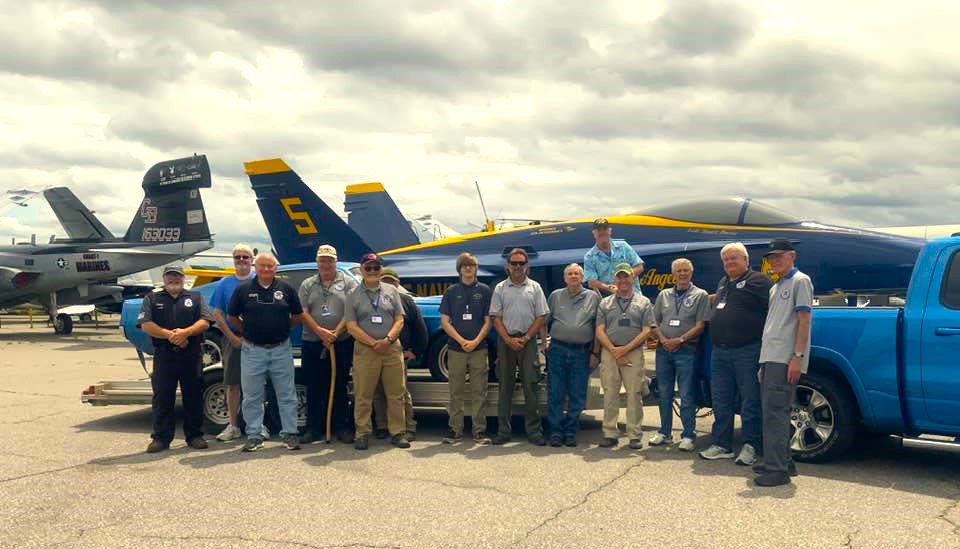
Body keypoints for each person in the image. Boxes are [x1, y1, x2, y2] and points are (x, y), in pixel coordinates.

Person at [699, 242, 771, 466]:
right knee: (720, 399)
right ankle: (721, 444)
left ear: (746, 261)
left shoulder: (758, 281)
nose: (730, 263)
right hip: (720, 352)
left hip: (747, 350)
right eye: (726, 260)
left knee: (750, 399)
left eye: (734, 259)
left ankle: (751, 446)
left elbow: (773, 311)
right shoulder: (723, 283)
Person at [227, 252, 304, 452]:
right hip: (253, 350)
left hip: (281, 349)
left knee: (287, 394)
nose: (266, 269)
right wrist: (247, 332)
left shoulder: (286, 289)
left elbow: (298, 315)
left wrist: (283, 328)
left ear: (275, 268)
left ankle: (290, 433)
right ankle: (254, 435)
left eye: (270, 266)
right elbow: (232, 316)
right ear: (255, 267)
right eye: (262, 266)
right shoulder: (244, 290)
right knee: (252, 396)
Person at [754, 238, 813, 487]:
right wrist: (763, 363)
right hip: (771, 357)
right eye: (771, 257)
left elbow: (804, 321)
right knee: (774, 411)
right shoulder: (776, 286)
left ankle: (776, 469)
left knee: (775, 414)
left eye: (779, 256)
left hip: (785, 358)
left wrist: (797, 357)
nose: (774, 260)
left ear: (792, 255)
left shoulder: (801, 281)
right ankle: (784, 460)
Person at [138, 264, 213, 453]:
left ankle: (195, 436)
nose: (174, 280)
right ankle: (161, 438)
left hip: (191, 354)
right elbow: (146, 324)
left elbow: (205, 321)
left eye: (177, 277)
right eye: (170, 277)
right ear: (164, 279)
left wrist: (185, 333)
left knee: (193, 396)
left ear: (183, 278)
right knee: (162, 397)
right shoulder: (152, 298)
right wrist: (171, 335)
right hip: (164, 355)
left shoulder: (195, 297)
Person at [344, 253, 409, 450]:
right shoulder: (352, 295)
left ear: (381, 269)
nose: (372, 271)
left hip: (391, 348)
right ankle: (362, 432)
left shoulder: (391, 291)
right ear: (362, 269)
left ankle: (398, 432)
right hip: (366, 350)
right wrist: (374, 343)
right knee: (363, 394)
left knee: (396, 393)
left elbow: (399, 319)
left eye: (376, 267)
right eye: (368, 267)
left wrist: (388, 339)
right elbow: (351, 326)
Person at [297, 244, 358, 444]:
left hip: (340, 342)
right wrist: (321, 332)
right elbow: (303, 312)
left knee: (339, 384)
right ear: (317, 262)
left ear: (335, 261)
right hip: (313, 341)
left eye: (329, 260)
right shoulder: (307, 284)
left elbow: (352, 311)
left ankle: (342, 427)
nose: (325, 264)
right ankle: (314, 428)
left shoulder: (348, 283)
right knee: (314, 385)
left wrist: (335, 332)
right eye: (322, 260)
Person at [490, 248, 549, 446]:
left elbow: (541, 316)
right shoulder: (500, 288)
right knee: (504, 387)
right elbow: (495, 317)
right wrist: (507, 339)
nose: (517, 267)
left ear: (527, 266)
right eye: (514, 263)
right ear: (508, 266)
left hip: (528, 342)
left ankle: (534, 432)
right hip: (505, 342)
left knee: (530, 387)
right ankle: (503, 431)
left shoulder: (535, 287)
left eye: (521, 263)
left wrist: (526, 337)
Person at [650, 258, 710, 451]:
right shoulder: (663, 295)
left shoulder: (700, 295)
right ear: (673, 274)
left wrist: (680, 340)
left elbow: (700, 325)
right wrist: (664, 340)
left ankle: (688, 435)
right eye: (678, 271)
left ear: (691, 273)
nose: (682, 274)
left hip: (686, 350)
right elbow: (654, 322)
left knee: (686, 395)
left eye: (685, 270)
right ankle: (664, 433)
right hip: (663, 350)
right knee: (664, 393)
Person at [594, 263, 656, 449]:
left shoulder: (643, 302)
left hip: (634, 353)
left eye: (626, 277)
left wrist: (626, 348)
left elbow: (647, 330)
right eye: (619, 277)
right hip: (609, 352)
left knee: (634, 394)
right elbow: (599, 330)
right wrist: (614, 350)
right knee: (610, 393)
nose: (623, 280)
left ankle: (634, 434)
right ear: (615, 279)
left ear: (632, 278)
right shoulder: (605, 303)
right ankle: (610, 432)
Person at [439, 253, 494, 445]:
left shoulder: (485, 290)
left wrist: (476, 341)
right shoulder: (451, 291)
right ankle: (456, 430)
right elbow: (445, 322)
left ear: (476, 268)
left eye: (471, 265)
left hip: (479, 349)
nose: (468, 269)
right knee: (456, 391)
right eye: (464, 266)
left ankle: (479, 430)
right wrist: (462, 341)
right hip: (456, 349)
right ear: (459, 269)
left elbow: (489, 321)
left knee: (480, 390)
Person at [545, 263, 600, 447]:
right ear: (565, 278)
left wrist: (595, 352)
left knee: (577, 394)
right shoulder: (555, 296)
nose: (574, 276)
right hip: (557, 350)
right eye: (570, 274)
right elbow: (545, 321)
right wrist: (544, 342)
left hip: (581, 352)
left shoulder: (593, 297)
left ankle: (570, 431)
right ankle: (555, 432)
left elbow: (598, 327)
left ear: (582, 277)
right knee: (555, 393)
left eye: (577, 273)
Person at [372, 267, 426, 441]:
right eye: (384, 281)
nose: (388, 284)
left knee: (400, 392)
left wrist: (415, 351)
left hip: (398, 354)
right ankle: (382, 426)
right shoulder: (372, 300)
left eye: (391, 281)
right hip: (375, 352)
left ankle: (408, 426)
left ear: (397, 283)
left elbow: (420, 330)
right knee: (378, 392)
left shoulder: (407, 301)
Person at [211, 244, 256, 443]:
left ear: (251, 260)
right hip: (234, 338)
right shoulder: (224, 284)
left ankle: (255, 425)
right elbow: (217, 313)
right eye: (237, 257)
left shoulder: (260, 280)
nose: (242, 260)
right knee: (232, 383)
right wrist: (231, 337)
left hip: (258, 340)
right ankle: (233, 425)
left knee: (256, 384)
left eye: (245, 257)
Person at [584, 217, 644, 296]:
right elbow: (592, 282)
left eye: (605, 229)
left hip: (634, 295)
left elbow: (639, 267)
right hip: (610, 300)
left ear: (610, 230)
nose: (602, 232)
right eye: (599, 230)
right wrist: (609, 288)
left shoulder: (623, 246)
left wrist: (625, 280)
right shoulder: (589, 257)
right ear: (594, 233)